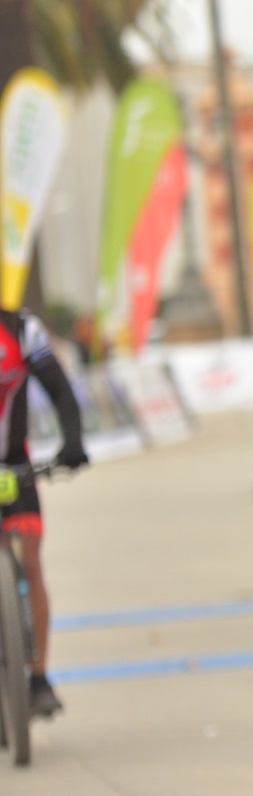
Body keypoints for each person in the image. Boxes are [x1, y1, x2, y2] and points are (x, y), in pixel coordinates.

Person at [0, 306, 89, 718]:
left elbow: (61, 391)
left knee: (31, 562)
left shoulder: (21, 329)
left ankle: (39, 678)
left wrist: (73, 442)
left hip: (13, 466)